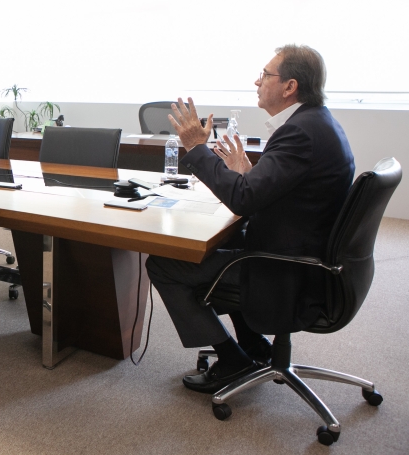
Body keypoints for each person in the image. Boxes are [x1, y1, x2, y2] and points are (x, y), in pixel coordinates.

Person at [146, 45, 354, 394]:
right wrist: (247, 175)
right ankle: (254, 345)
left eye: (265, 75)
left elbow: (243, 199)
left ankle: (232, 360)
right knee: (226, 241)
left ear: (289, 86)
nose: (257, 82)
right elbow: (274, 193)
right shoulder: (317, 122)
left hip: (285, 270)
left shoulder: (299, 133)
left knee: (164, 265)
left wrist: (197, 148)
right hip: (305, 256)